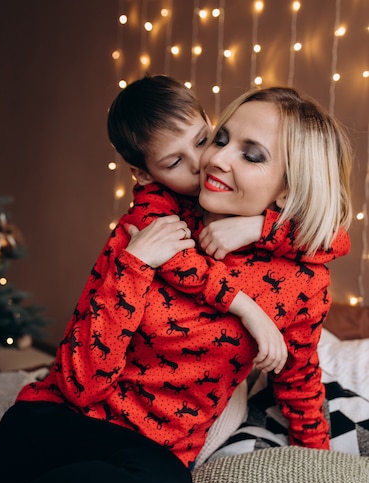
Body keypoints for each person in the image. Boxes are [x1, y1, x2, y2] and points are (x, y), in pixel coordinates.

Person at [0, 85, 352, 483]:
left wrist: (322, 475)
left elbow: (302, 379)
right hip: (55, 430)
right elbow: (78, 383)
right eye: (224, 138)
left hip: (132, 481)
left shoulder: (303, 283)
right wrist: (133, 268)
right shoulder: (158, 220)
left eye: (248, 154)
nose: (214, 158)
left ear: (290, 184)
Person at [108, 74, 287, 373]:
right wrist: (249, 310)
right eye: (174, 163)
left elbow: (330, 238)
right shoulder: (152, 210)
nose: (199, 163)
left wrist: (258, 227)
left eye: (204, 140)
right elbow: (183, 265)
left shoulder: (244, 188)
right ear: (143, 174)